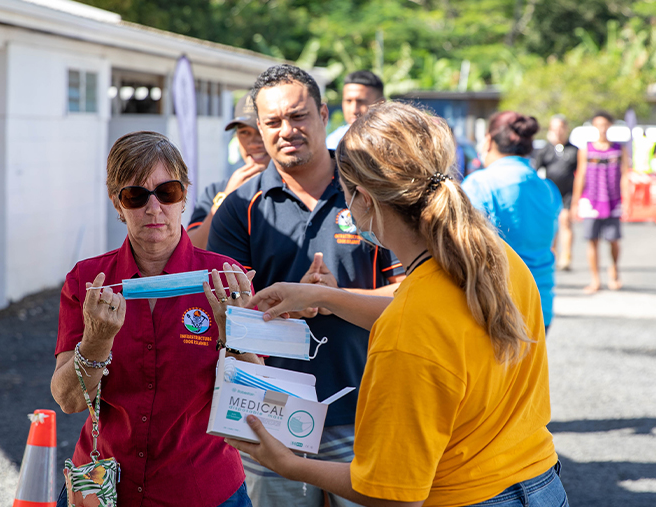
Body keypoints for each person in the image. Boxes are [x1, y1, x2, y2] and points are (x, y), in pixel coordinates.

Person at [225, 101, 567, 507]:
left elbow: (393, 496)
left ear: (363, 200)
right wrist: (323, 296)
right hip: (540, 484)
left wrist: (289, 464)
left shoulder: (407, 330)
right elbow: (440, 325)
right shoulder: (495, 261)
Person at [206, 64, 405, 507]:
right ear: (259, 128)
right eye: (273, 122)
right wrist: (284, 308)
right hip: (270, 414)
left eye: (298, 116)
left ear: (325, 114)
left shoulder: (375, 191)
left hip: (370, 409)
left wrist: (327, 298)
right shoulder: (241, 207)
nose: (287, 130)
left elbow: (413, 301)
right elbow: (228, 320)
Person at [51, 131, 261, 507]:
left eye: (168, 192)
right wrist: (96, 341)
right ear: (118, 204)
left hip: (202, 487)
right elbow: (68, 401)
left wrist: (235, 332)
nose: (153, 208)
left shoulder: (225, 280)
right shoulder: (88, 280)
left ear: (184, 199)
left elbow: (253, 399)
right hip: (105, 489)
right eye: (136, 196)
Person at [463, 111, 562, 331]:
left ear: (488, 140)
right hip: (540, 305)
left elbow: (465, 249)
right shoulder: (548, 188)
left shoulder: (479, 184)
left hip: (495, 307)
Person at [188, 93, 270, 249]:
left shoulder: (295, 187)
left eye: (260, 131)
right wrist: (225, 200)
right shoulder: (216, 191)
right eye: (244, 132)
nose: (253, 142)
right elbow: (191, 252)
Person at [571, 111, 628, 294]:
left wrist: (627, 199)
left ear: (610, 126)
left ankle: (614, 271)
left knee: (613, 239)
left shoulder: (619, 149)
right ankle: (595, 279)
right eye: (598, 125)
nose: (602, 129)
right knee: (592, 240)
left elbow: (625, 174)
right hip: (592, 199)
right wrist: (575, 202)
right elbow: (581, 174)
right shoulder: (586, 149)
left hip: (613, 200)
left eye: (605, 124)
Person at [534, 114, 579, 271]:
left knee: (565, 221)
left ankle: (566, 256)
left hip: (568, 193)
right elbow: (534, 171)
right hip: (550, 194)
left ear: (566, 129)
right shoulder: (545, 150)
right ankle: (552, 254)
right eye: (555, 129)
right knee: (552, 224)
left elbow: (581, 175)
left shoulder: (574, 150)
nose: (558, 132)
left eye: (561, 128)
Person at [325, 70, 384, 149]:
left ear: (380, 103)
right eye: (348, 101)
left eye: (361, 102)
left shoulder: (393, 141)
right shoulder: (334, 142)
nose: (354, 110)